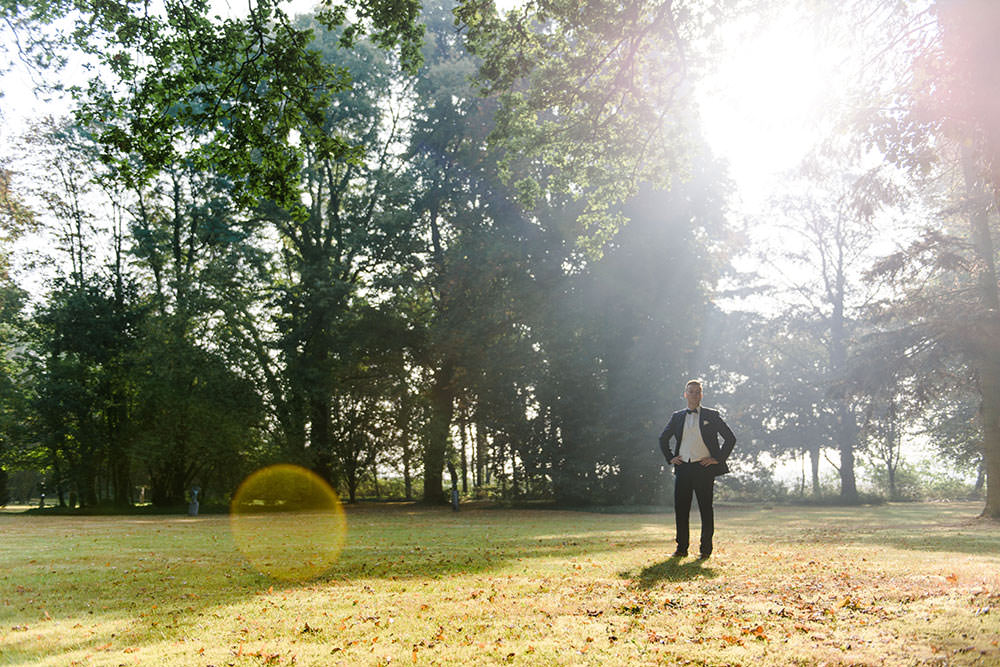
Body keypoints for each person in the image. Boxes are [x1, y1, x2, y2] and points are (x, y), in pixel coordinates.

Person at [658, 379, 736, 559]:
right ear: (685, 394)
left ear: (702, 394)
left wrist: (717, 459)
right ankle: (681, 548)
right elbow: (663, 438)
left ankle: (706, 550)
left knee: (706, 509)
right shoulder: (677, 417)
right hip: (683, 468)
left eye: (698, 391)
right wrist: (671, 458)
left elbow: (730, 438)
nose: (694, 394)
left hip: (704, 468)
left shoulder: (712, 415)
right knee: (681, 509)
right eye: (691, 391)